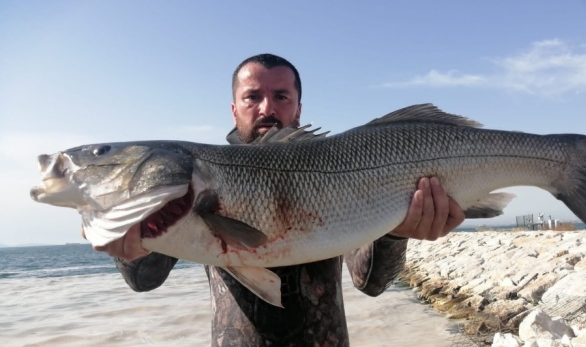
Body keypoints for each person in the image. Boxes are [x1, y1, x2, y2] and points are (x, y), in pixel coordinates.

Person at [97, 53, 465, 347]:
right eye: (253, 96)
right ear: (234, 108)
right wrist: (128, 245)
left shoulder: (342, 168)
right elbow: (143, 281)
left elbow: (371, 283)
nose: (266, 109)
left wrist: (396, 233)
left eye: (281, 96)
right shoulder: (195, 178)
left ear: (299, 108)